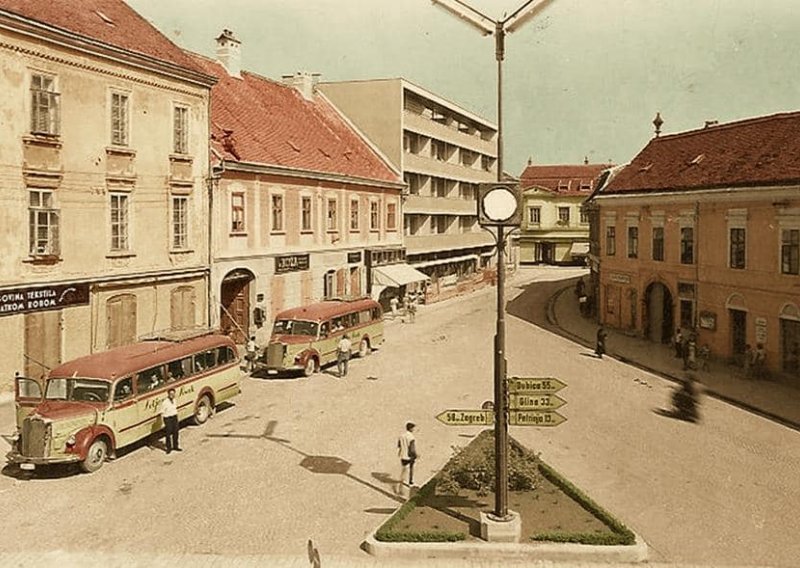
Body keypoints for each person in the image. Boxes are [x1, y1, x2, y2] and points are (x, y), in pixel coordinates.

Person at [397, 422, 418, 494]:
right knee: (411, 469)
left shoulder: (401, 436)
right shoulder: (411, 437)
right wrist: (415, 455)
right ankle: (410, 482)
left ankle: (401, 482)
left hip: (402, 455)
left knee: (404, 469)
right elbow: (412, 448)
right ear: (411, 428)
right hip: (409, 456)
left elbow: (399, 445)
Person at [161, 388, 181, 454]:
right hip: (167, 418)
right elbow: (162, 412)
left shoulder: (174, 400)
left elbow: (175, 409)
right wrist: (163, 423)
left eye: (173, 394)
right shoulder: (165, 402)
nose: (172, 395)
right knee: (168, 433)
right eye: (171, 394)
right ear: (168, 394)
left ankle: (176, 446)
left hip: (174, 417)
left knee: (176, 432)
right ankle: (168, 448)